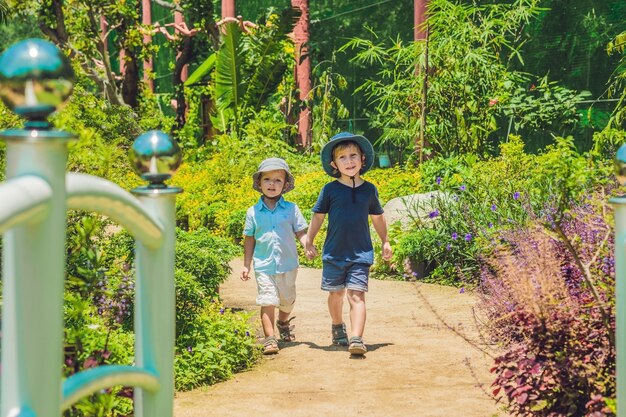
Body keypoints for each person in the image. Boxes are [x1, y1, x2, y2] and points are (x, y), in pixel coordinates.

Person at [305, 132, 392, 356]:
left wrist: (385, 241)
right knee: (336, 295)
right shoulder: (330, 190)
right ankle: (337, 325)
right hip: (334, 253)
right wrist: (310, 241)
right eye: (342, 158)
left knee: (357, 295)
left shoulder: (369, 190)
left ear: (362, 159)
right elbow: (318, 216)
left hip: (361, 254)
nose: (349, 161)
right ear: (334, 164)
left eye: (353, 155)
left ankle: (356, 338)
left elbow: (378, 217)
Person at [241, 158, 308, 355]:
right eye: (267, 179)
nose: (272, 184)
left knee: (287, 301)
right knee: (267, 300)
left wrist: (307, 245)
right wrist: (247, 265)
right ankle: (270, 339)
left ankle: (283, 321)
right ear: (259, 183)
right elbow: (249, 239)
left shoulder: (291, 209)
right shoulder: (252, 212)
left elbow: (300, 232)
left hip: (288, 265)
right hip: (263, 265)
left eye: (278, 180)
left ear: (285, 185)